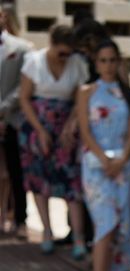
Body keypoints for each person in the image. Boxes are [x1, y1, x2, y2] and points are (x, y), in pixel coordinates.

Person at [77, 40, 130, 271]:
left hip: (123, 165)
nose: (109, 65)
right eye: (103, 60)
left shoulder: (129, 93)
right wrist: (105, 160)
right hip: (95, 166)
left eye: (113, 60)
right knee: (105, 222)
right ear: (96, 63)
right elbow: (85, 131)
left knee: (120, 222)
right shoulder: (86, 91)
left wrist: (122, 158)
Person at [18, 24, 89, 257]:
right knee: (39, 181)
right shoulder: (34, 61)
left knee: (72, 182)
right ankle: (47, 231)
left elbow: (80, 99)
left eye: (68, 52)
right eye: (61, 52)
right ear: (51, 44)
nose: (65, 57)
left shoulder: (77, 64)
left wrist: (71, 124)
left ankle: (78, 237)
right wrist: (40, 130)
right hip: (37, 127)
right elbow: (25, 99)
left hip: (67, 126)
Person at [0, 5, 31, 237]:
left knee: (16, 172)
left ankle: (20, 220)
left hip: (12, 119)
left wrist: (3, 109)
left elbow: (25, 83)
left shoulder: (21, 48)